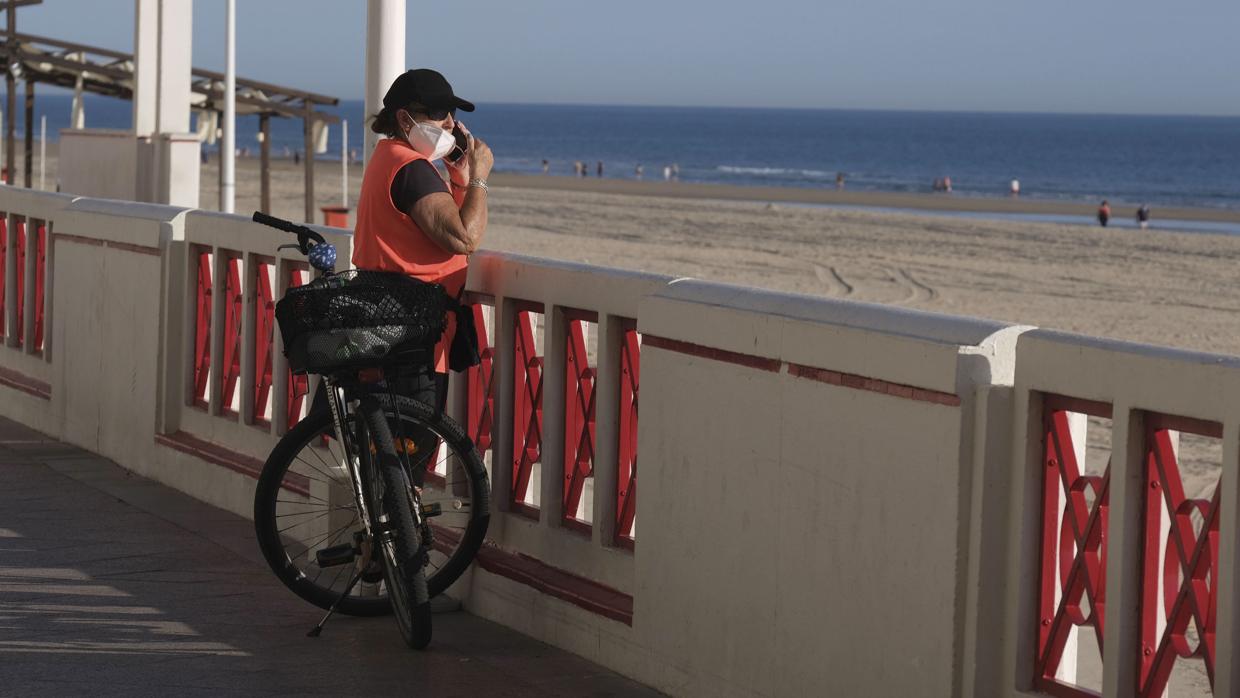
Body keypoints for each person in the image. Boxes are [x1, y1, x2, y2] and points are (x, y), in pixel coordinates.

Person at [351, 68, 493, 429]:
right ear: (404, 118)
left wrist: (458, 180)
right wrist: (479, 176)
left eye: (452, 115)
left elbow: (446, 226)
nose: (448, 123)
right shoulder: (411, 168)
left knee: (383, 445)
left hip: (383, 320)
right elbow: (464, 238)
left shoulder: (387, 156)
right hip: (410, 333)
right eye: (438, 113)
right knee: (409, 448)